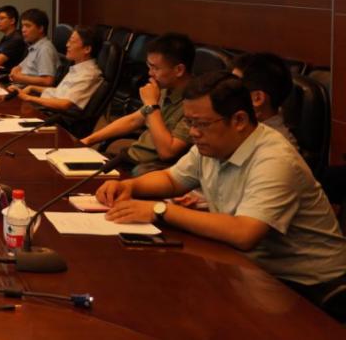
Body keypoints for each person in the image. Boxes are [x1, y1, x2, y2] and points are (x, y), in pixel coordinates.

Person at [97, 71, 346, 306]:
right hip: (252, 269)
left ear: (239, 120)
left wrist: (159, 210)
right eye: (189, 122)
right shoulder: (213, 143)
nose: (193, 133)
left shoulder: (275, 159)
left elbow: (244, 233)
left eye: (201, 124)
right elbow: (172, 180)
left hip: (310, 286)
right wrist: (130, 186)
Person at [81, 33, 194, 175]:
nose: (150, 73)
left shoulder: (195, 104)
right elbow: (134, 120)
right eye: (149, 66)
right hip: (129, 158)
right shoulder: (166, 88)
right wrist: (88, 140)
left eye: (155, 68)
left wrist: (151, 105)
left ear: (179, 70)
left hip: (146, 171)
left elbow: (167, 152)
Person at [17, 25, 101, 112]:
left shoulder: (88, 74)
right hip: (48, 108)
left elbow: (64, 104)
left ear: (87, 49)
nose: (67, 45)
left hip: (54, 115)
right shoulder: (78, 68)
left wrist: (28, 98)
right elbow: (59, 93)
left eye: (72, 42)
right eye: (68, 41)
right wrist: (32, 87)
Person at [232, 52, 298, 149]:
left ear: (257, 98)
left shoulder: (278, 148)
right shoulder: (242, 127)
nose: (224, 92)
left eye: (233, 87)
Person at [7, 8, 60, 87]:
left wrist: (20, 78)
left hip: (29, 91)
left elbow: (48, 81)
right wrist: (15, 70)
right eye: (23, 26)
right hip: (18, 87)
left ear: (40, 29)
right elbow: (20, 67)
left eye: (28, 26)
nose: (23, 30)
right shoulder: (35, 46)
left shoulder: (45, 49)